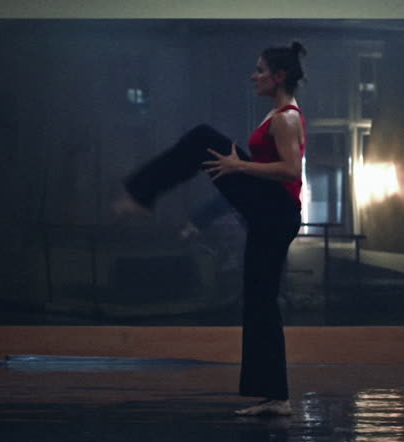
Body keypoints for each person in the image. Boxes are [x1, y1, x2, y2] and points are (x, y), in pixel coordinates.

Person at [115, 42, 308, 417]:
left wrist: (241, 168)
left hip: (278, 209)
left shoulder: (286, 118)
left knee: (204, 138)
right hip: (269, 210)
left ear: (279, 76)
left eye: (260, 70)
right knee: (258, 300)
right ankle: (273, 396)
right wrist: (239, 182)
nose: (254, 76)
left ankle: (141, 192)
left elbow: (291, 172)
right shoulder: (277, 116)